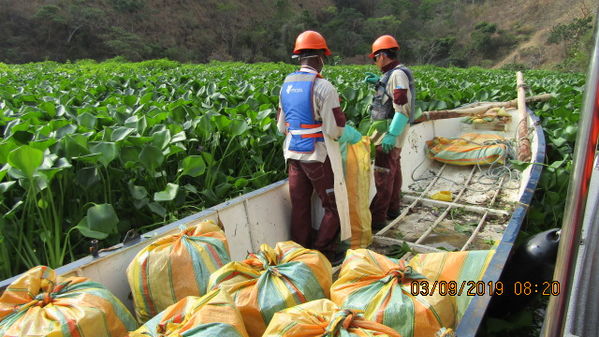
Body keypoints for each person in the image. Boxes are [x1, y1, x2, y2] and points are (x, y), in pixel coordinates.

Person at [277, 30, 361, 264]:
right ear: (320, 57)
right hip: (317, 155)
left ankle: (299, 253)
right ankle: (323, 251)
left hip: (293, 154)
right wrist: (347, 134)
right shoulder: (325, 87)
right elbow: (335, 129)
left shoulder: (286, 84)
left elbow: (281, 126)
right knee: (333, 206)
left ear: (300, 57)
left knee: (300, 205)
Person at [364, 35, 416, 230]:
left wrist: (392, 134)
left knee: (383, 173)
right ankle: (393, 210)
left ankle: (377, 219)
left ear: (383, 55)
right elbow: (393, 91)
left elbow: (402, 107)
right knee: (394, 169)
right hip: (391, 129)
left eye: (375, 58)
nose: (375, 62)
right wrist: (379, 82)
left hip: (390, 130)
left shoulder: (397, 75)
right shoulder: (395, 74)